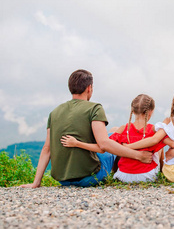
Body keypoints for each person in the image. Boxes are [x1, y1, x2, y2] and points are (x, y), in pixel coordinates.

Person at [20, 69, 153, 188]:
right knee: (113, 137)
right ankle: (120, 176)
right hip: (89, 177)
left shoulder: (54, 113)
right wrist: (138, 155)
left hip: (63, 180)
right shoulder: (94, 108)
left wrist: (36, 182)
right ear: (89, 88)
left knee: (112, 132)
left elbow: (46, 149)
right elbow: (104, 144)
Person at [61, 94, 167, 183]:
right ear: (151, 112)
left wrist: (77, 143)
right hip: (147, 176)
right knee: (159, 147)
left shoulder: (123, 129)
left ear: (133, 111)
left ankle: (114, 172)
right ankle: (162, 174)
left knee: (116, 145)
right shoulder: (153, 129)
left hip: (123, 176)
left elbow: (102, 147)